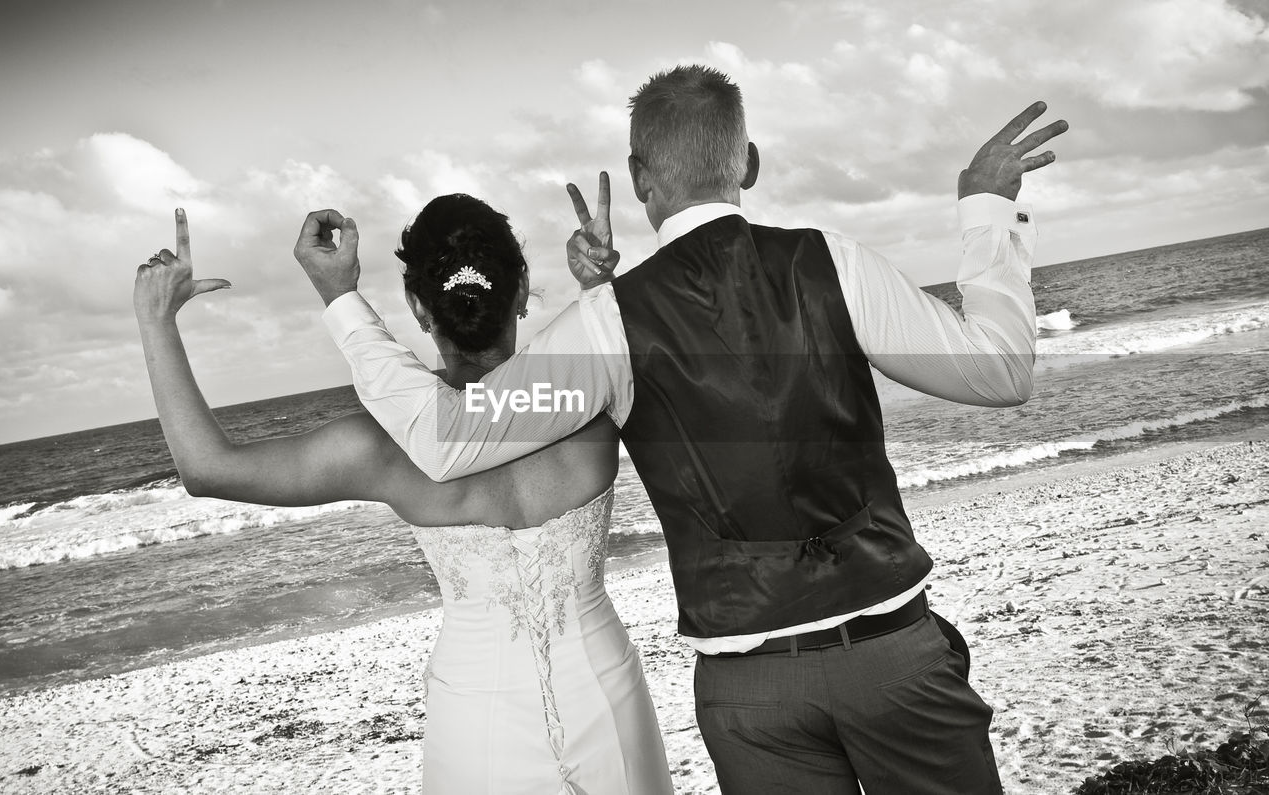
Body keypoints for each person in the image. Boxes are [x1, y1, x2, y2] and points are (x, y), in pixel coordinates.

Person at [301, 65, 1067, 793]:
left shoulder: (609, 325)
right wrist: (986, 210)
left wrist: (342, 298)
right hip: (892, 655)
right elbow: (1000, 369)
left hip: (750, 694)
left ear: (640, 181)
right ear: (750, 163)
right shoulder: (833, 261)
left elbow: (445, 437)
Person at [133, 198, 673, 794]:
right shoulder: (589, 405)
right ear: (520, 291)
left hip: (475, 725)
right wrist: (600, 289)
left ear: (419, 307)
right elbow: (626, 353)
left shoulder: (384, 448)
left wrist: (157, 320)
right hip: (607, 695)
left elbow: (209, 468)